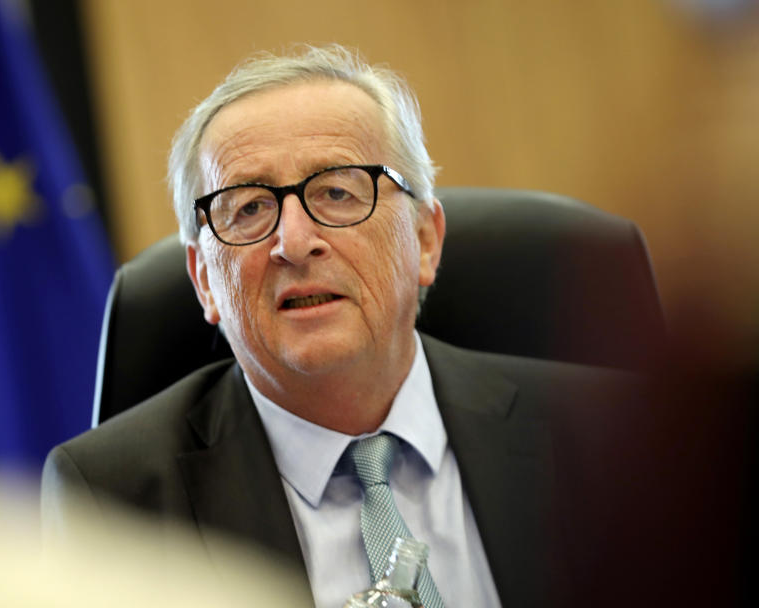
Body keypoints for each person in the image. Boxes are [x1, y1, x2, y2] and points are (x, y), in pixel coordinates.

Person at [42, 45, 646, 608]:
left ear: (426, 240)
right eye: (249, 207)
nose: (294, 242)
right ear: (204, 280)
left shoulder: (614, 434)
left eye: (336, 191)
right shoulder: (113, 506)